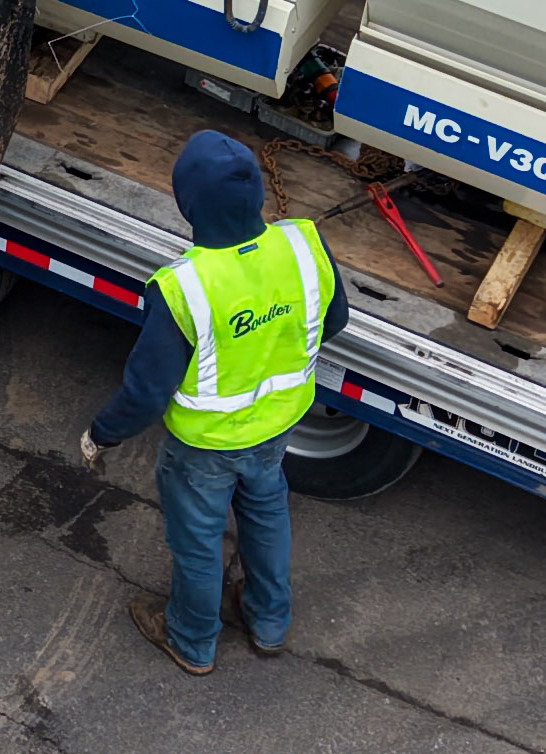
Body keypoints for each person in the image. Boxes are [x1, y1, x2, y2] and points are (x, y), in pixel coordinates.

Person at [76, 130, 345, 673]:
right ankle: (268, 622)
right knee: (266, 516)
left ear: (189, 204)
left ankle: (191, 641)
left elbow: (147, 391)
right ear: (257, 194)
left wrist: (101, 434)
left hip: (205, 446)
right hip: (277, 427)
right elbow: (332, 321)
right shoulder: (302, 245)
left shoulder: (184, 286)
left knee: (198, 544)